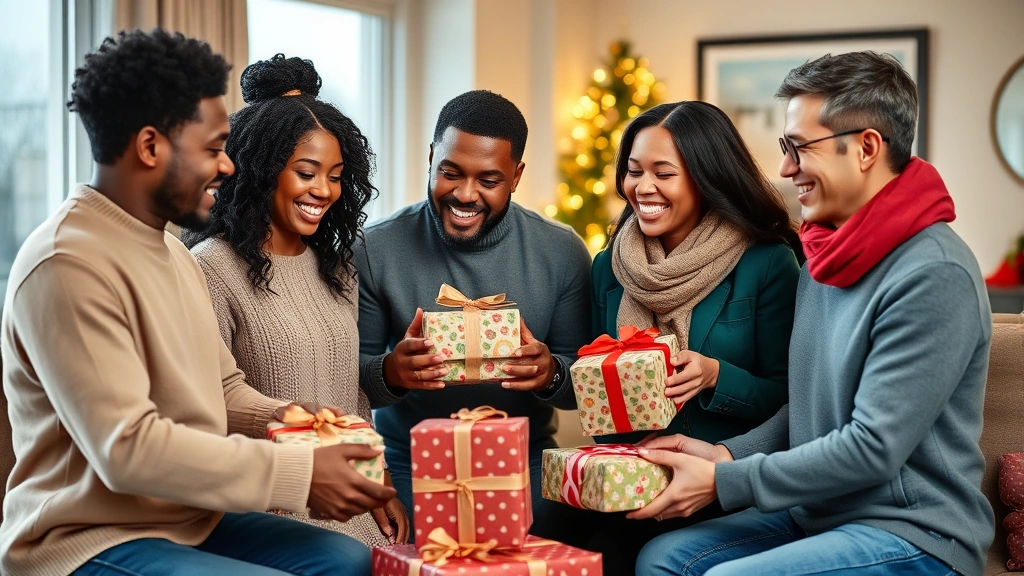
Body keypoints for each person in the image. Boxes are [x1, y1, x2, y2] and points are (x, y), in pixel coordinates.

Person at [0, 29, 395, 576]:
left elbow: (222, 386)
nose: (229, 166)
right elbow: (129, 451)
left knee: (348, 560)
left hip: (189, 518)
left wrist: (287, 417)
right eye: (212, 149)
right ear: (149, 147)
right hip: (88, 536)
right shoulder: (67, 264)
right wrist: (296, 473)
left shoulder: (168, 249)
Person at [633, 51, 994, 576]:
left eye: (800, 148)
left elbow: (872, 448)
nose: (784, 168)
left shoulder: (933, 273)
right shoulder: (824, 259)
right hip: (818, 514)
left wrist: (726, 482)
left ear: (867, 147)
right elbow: (811, 412)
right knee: (662, 557)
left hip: (913, 530)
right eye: (786, 147)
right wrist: (724, 456)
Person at [185, 54, 408, 547]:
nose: (323, 190)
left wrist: (376, 478)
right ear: (262, 172)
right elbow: (208, 408)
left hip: (345, 499)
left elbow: (349, 397)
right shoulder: (210, 268)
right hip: (267, 505)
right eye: (306, 173)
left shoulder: (337, 269)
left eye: (335, 175)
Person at [354, 90, 592, 541]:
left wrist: (550, 374)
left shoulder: (562, 253)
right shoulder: (374, 249)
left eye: (488, 180)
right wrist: (392, 372)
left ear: (516, 176)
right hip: (408, 461)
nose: (465, 194)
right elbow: (346, 383)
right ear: (430, 158)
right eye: (450, 172)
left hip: (526, 459)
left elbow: (580, 391)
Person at [582, 101, 801, 574]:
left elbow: (794, 399)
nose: (643, 188)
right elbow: (594, 392)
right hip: (632, 484)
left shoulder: (766, 263)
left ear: (707, 178)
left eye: (664, 173)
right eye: (634, 171)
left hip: (727, 492)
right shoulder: (609, 267)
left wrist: (715, 377)